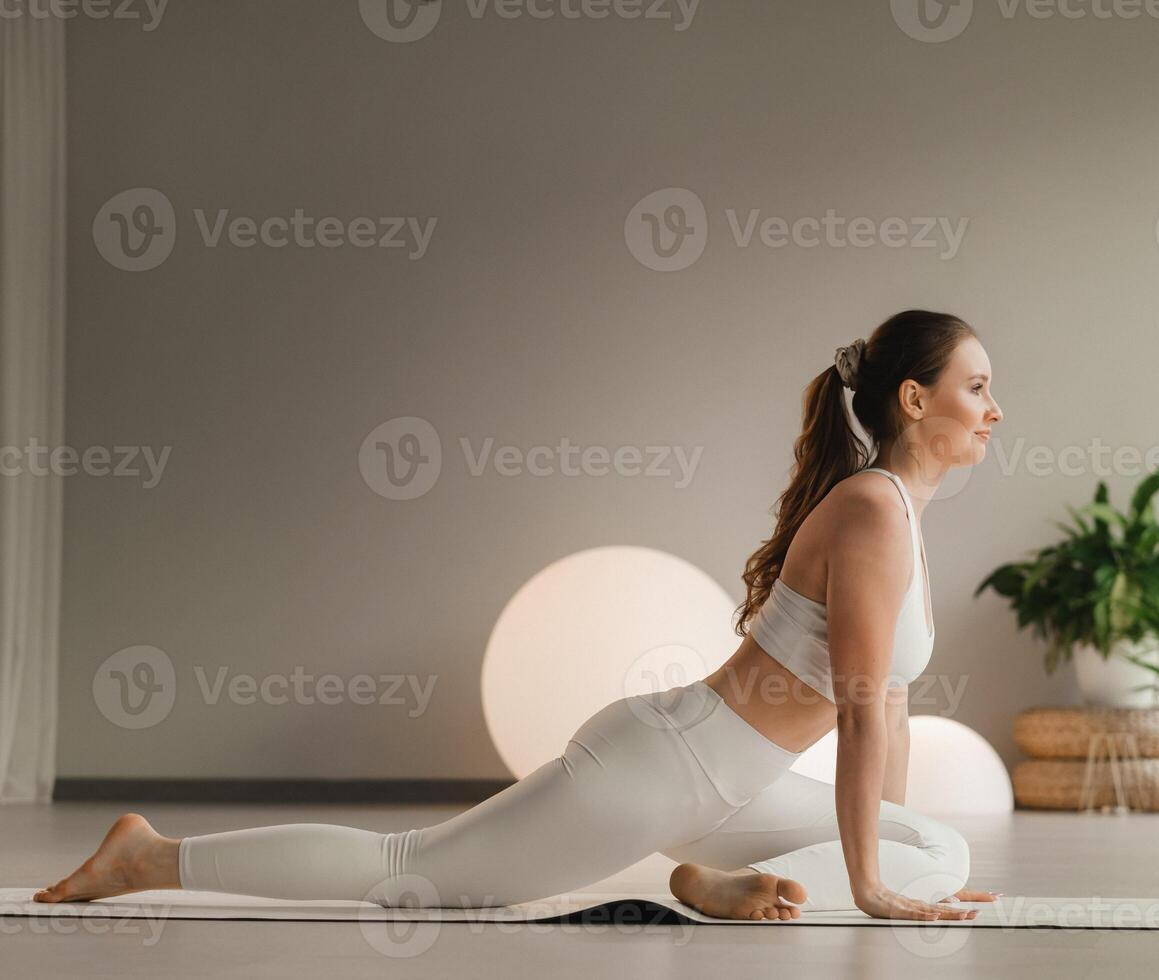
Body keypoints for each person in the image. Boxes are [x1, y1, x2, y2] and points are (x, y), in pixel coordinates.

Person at [35, 309, 1005, 922]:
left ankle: (704, 878)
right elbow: (868, 706)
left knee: (937, 849)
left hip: (730, 791)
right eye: (977, 386)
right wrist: (871, 887)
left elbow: (888, 710)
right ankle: (152, 855)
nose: (995, 408)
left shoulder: (902, 513)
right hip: (665, 767)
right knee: (406, 871)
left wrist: (889, 850)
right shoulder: (874, 507)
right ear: (915, 400)